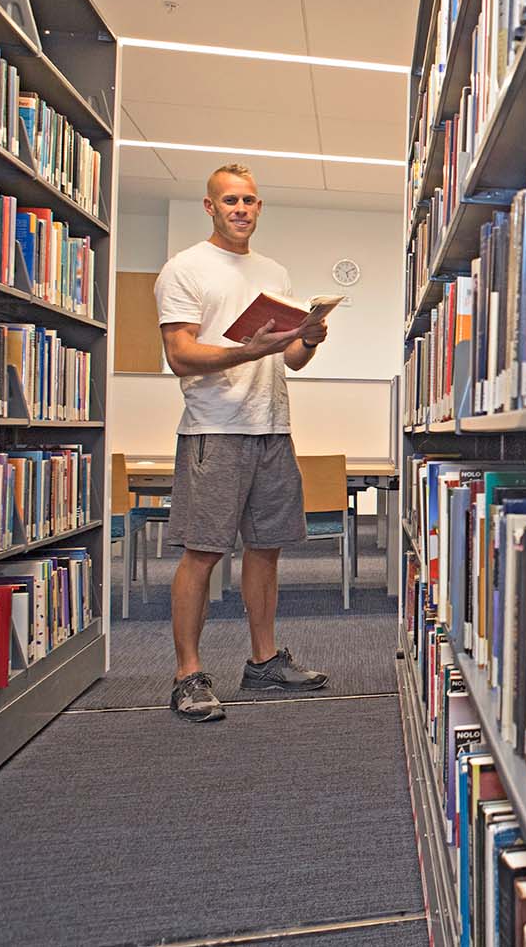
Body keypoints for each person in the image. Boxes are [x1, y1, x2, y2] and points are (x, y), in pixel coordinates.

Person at [153, 163, 330, 722]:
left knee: (266, 548)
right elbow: (180, 354)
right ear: (209, 206)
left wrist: (309, 338)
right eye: (230, 200)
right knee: (202, 552)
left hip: (272, 427)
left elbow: (291, 358)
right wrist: (247, 352)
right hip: (214, 430)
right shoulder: (184, 269)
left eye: (250, 201)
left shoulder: (273, 271)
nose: (241, 209)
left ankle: (263, 662)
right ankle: (188, 674)